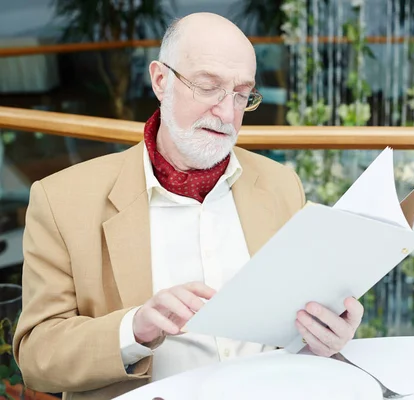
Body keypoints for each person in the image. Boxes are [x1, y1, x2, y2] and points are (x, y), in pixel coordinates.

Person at [12, 12, 364, 400]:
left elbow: (298, 324)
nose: (227, 113)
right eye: (208, 87)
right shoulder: (62, 200)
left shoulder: (282, 185)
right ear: (161, 80)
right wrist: (134, 328)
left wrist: (326, 334)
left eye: (242, 93)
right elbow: (37, 357)